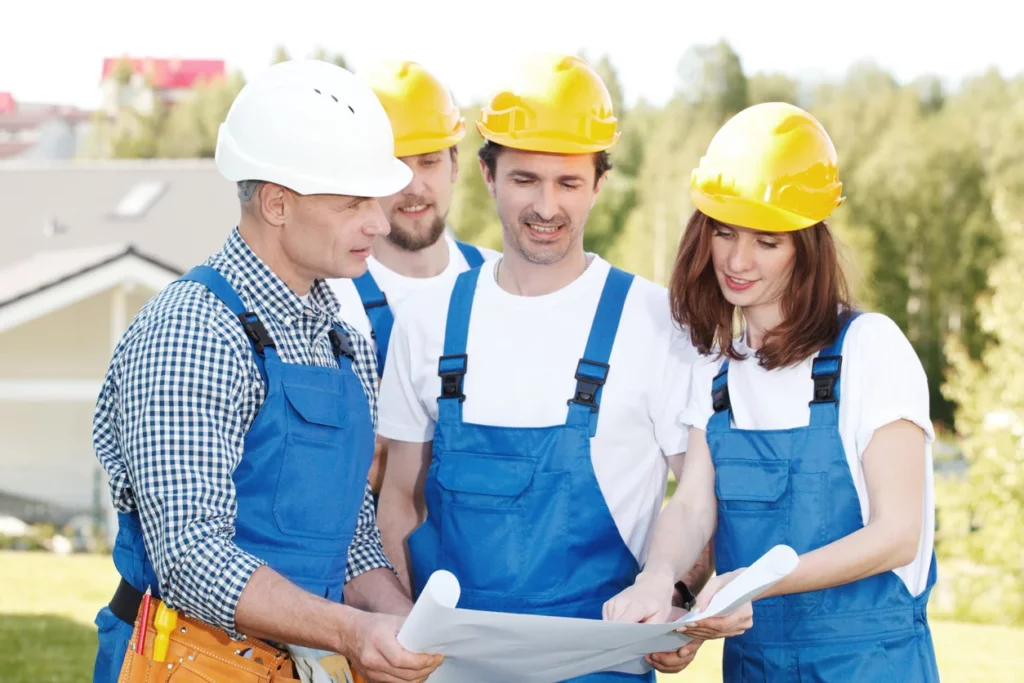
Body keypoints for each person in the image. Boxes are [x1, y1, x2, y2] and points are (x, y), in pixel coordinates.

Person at [91, 59, 443, 683]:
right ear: (278, 203)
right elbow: (190, 557)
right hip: (184, 663)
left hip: (302, 664)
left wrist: (406, 626)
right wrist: (352, 631)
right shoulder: (193, 330)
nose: (380, 223)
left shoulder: (342, 337)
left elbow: (350, 535)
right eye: (353, 202)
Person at [376, 53, 714, 682]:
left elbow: (699, 500)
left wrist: (677, 599)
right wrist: (396, 627)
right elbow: (398, 501)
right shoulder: (427, 320)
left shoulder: (654, 322)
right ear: (487, 173)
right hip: (450, 669)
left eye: (568, 183)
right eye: (526, 180)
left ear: (599, 183)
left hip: (601, 664)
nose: (546, 207)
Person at [604, 102, 940, 682]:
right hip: (755, 668)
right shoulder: (715, 373)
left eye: (768, 241)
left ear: (807, 246)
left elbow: (896, 535)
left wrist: (752, 582)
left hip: (870, 663)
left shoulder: (870, 348)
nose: (737, 260)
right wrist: (662, 584)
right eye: (724, 232)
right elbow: (692, 504)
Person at [328, 60, 499, 499]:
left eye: (429, 162)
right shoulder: (328, 301)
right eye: (395, 167)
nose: (415, 185)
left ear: (455, 166)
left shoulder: (503, 283)